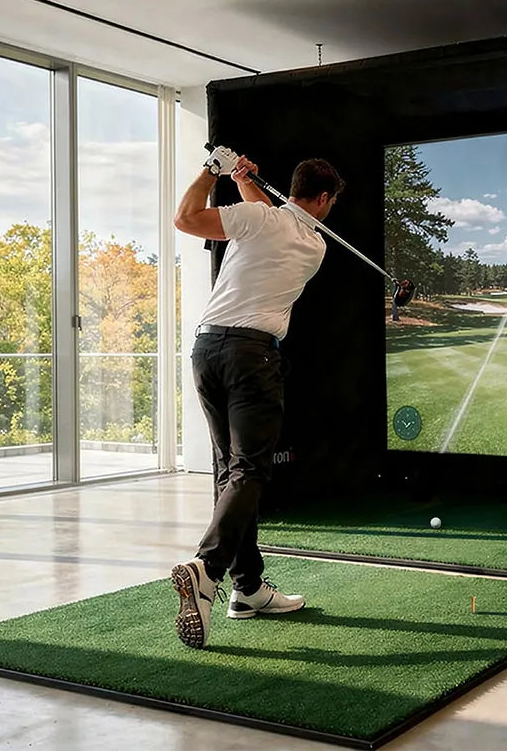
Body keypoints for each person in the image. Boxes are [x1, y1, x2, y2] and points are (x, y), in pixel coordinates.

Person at [165, 150, 343, 649]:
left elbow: (189, 217)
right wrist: (239, 179)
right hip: (252, 356)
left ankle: (246, 589)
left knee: (230, 471)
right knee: (249, 470)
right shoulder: (313, 245)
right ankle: (209, 567)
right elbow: (263, 220)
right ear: (324, 198)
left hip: (207, 350)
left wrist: (213, 171)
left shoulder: (260, 220)